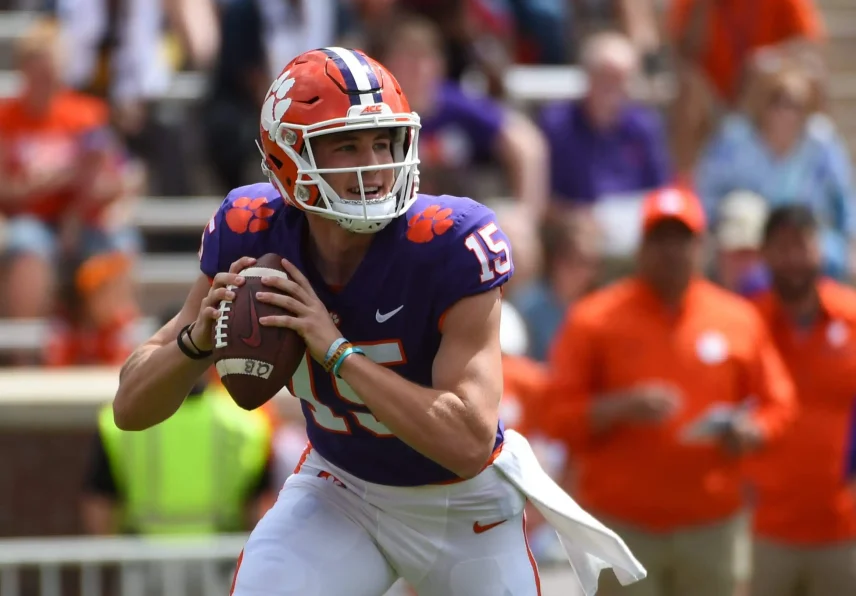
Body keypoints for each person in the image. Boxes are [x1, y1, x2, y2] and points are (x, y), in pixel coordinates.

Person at [112, 47, 645, 595]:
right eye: (345, 145)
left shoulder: (448, 241)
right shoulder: (249, 227)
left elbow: (468, 440)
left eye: (383, 142)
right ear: (286, 155)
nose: (372, 165)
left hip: (461, 506)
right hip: (341, 489)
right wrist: (195, 340)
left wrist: (338, 351)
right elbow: (130, 407)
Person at [543, 186, 797, 596]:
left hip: (712, 527)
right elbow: (554, 417)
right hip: (622, 526)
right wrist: (618, 408)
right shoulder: (595, 319)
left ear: (702, 246)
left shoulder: (737, 318)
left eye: (683, 240)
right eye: (660, 239)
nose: (672, 251)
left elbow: (779, 403)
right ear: (641, 247)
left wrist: (753, 431)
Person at [748, 205, 856, 596]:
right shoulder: (746, 321)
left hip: (841, 526)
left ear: (821, 249)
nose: (793, 258)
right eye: (782, 247)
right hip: (762, 527)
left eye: (802, 245)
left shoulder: (851, 315)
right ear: (765, 253)